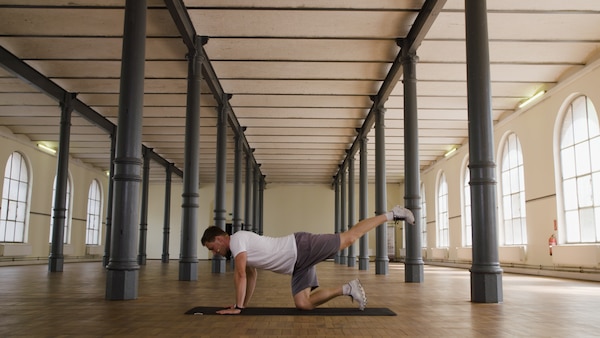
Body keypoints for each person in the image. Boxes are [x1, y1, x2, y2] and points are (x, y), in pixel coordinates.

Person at [201, 205, 415, 315]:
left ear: (220, 239)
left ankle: (392, 214)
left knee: (349, 238)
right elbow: (250, 274)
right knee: (303, 303)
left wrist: (237, 307)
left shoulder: (237, 239)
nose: (215, 252)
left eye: (213, 248)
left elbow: (240, 275)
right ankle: (349, 289)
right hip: (297, 264)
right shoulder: (241, 247)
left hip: (300, 247)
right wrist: (242, 305)